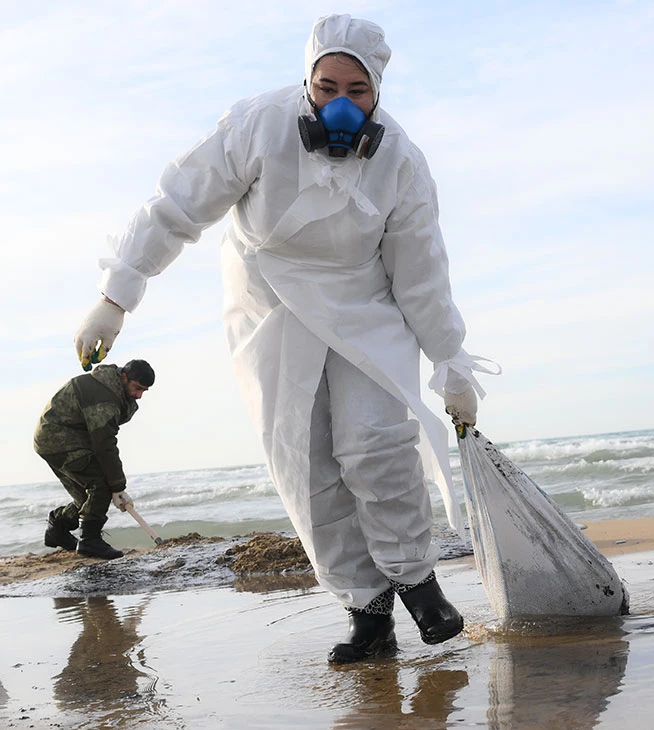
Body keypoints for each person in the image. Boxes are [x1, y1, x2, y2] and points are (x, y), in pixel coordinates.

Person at [71, 15, 487, 663]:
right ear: (306, 82)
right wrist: (116, 297)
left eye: (357, 88)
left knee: (376, 443)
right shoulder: (257, 126)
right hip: (269, 304)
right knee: (304, 462)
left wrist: (450, 360)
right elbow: (175, 207)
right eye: (326, 87)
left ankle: (417, 581)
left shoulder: (401, 161)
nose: (341, 103)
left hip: (363, 301)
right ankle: (367, 614)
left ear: (377, 91)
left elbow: (422, 271)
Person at [34, 360, 155, 560]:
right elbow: (104, 444)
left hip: (57, 438)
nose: (139, 395)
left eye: (144, 391)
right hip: (58, 438)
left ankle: (58, 527)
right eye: (137, 388)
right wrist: (118, 486)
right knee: (102, 485)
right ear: (124, 377)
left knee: (86, 497)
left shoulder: (111, 388)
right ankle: (90, 540)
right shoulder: (104, 397)